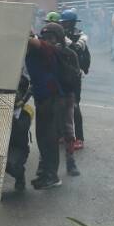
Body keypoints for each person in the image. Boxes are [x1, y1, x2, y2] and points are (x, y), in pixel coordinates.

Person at [26, 22, 68, 189]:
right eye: (45, 37)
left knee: (49, 139)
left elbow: (33, 41)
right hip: (43, 98)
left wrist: (20, 30)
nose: (47, 39)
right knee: (43, 137)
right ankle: (45, 173)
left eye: (50, 37)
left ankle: (52, 176)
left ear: (56, 39)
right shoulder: (43, 48)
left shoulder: (49, 49)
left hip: (52, 98)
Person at [60, 9, 88, 154]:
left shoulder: (80, 37)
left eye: (65, 22)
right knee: (60, 104)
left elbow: (84, 55)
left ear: (71, 23)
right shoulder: (59, 35)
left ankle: (79, 138)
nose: (63, 25)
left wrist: (82, 70)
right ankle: (63, 134)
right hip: (61, 75)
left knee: (75, 106)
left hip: (74, 77)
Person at [5, 76, 34, 192]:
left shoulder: (27, 110)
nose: (15, 95)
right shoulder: (1, 104)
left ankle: (20, 176)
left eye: (18, 92)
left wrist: (10, 115)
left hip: (17, 147)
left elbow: (20, 129)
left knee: (11, 164)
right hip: (0, 142)